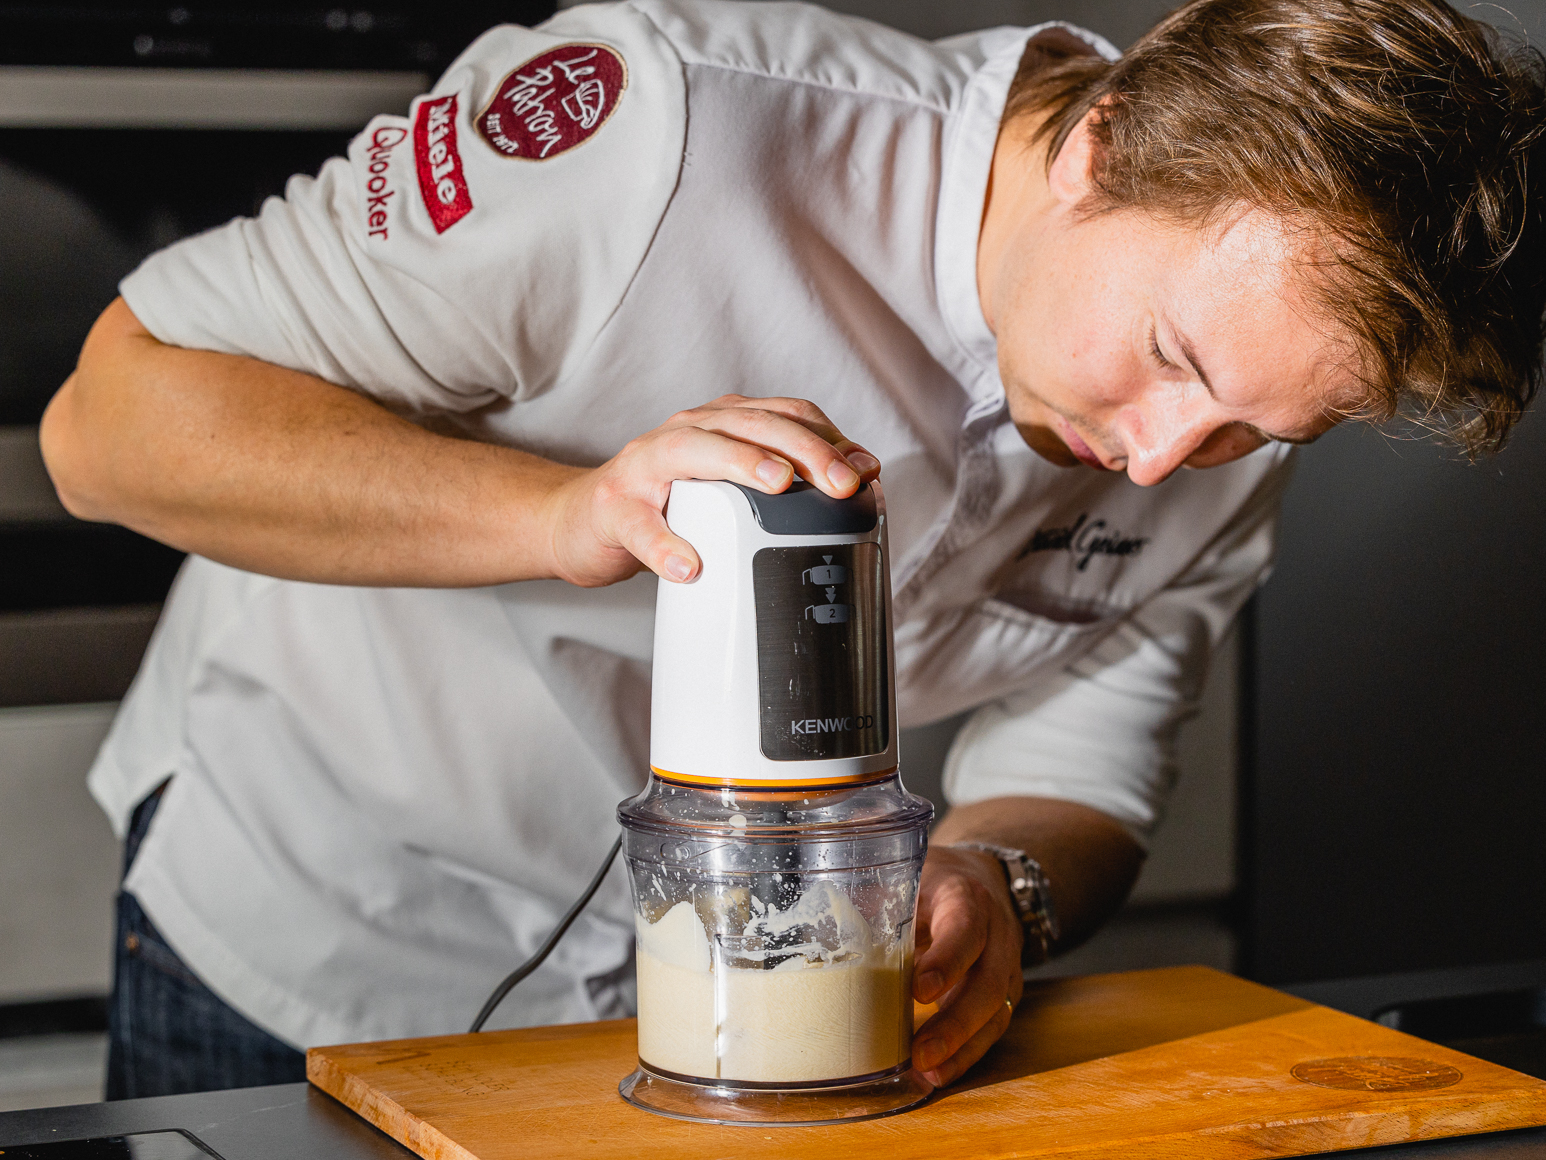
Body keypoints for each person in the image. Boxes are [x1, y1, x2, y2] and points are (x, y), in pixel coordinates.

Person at [40, 0, 1545, 1100]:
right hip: (307, 930)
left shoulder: (1219, 425)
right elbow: (108, 426)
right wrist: (561, 515)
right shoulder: (656, 130)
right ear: (1101, 147)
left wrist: (997, 893)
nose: (1164, 458)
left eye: (1258, 431)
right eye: (1166, 356)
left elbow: (1082, 765)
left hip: (760, 1036)